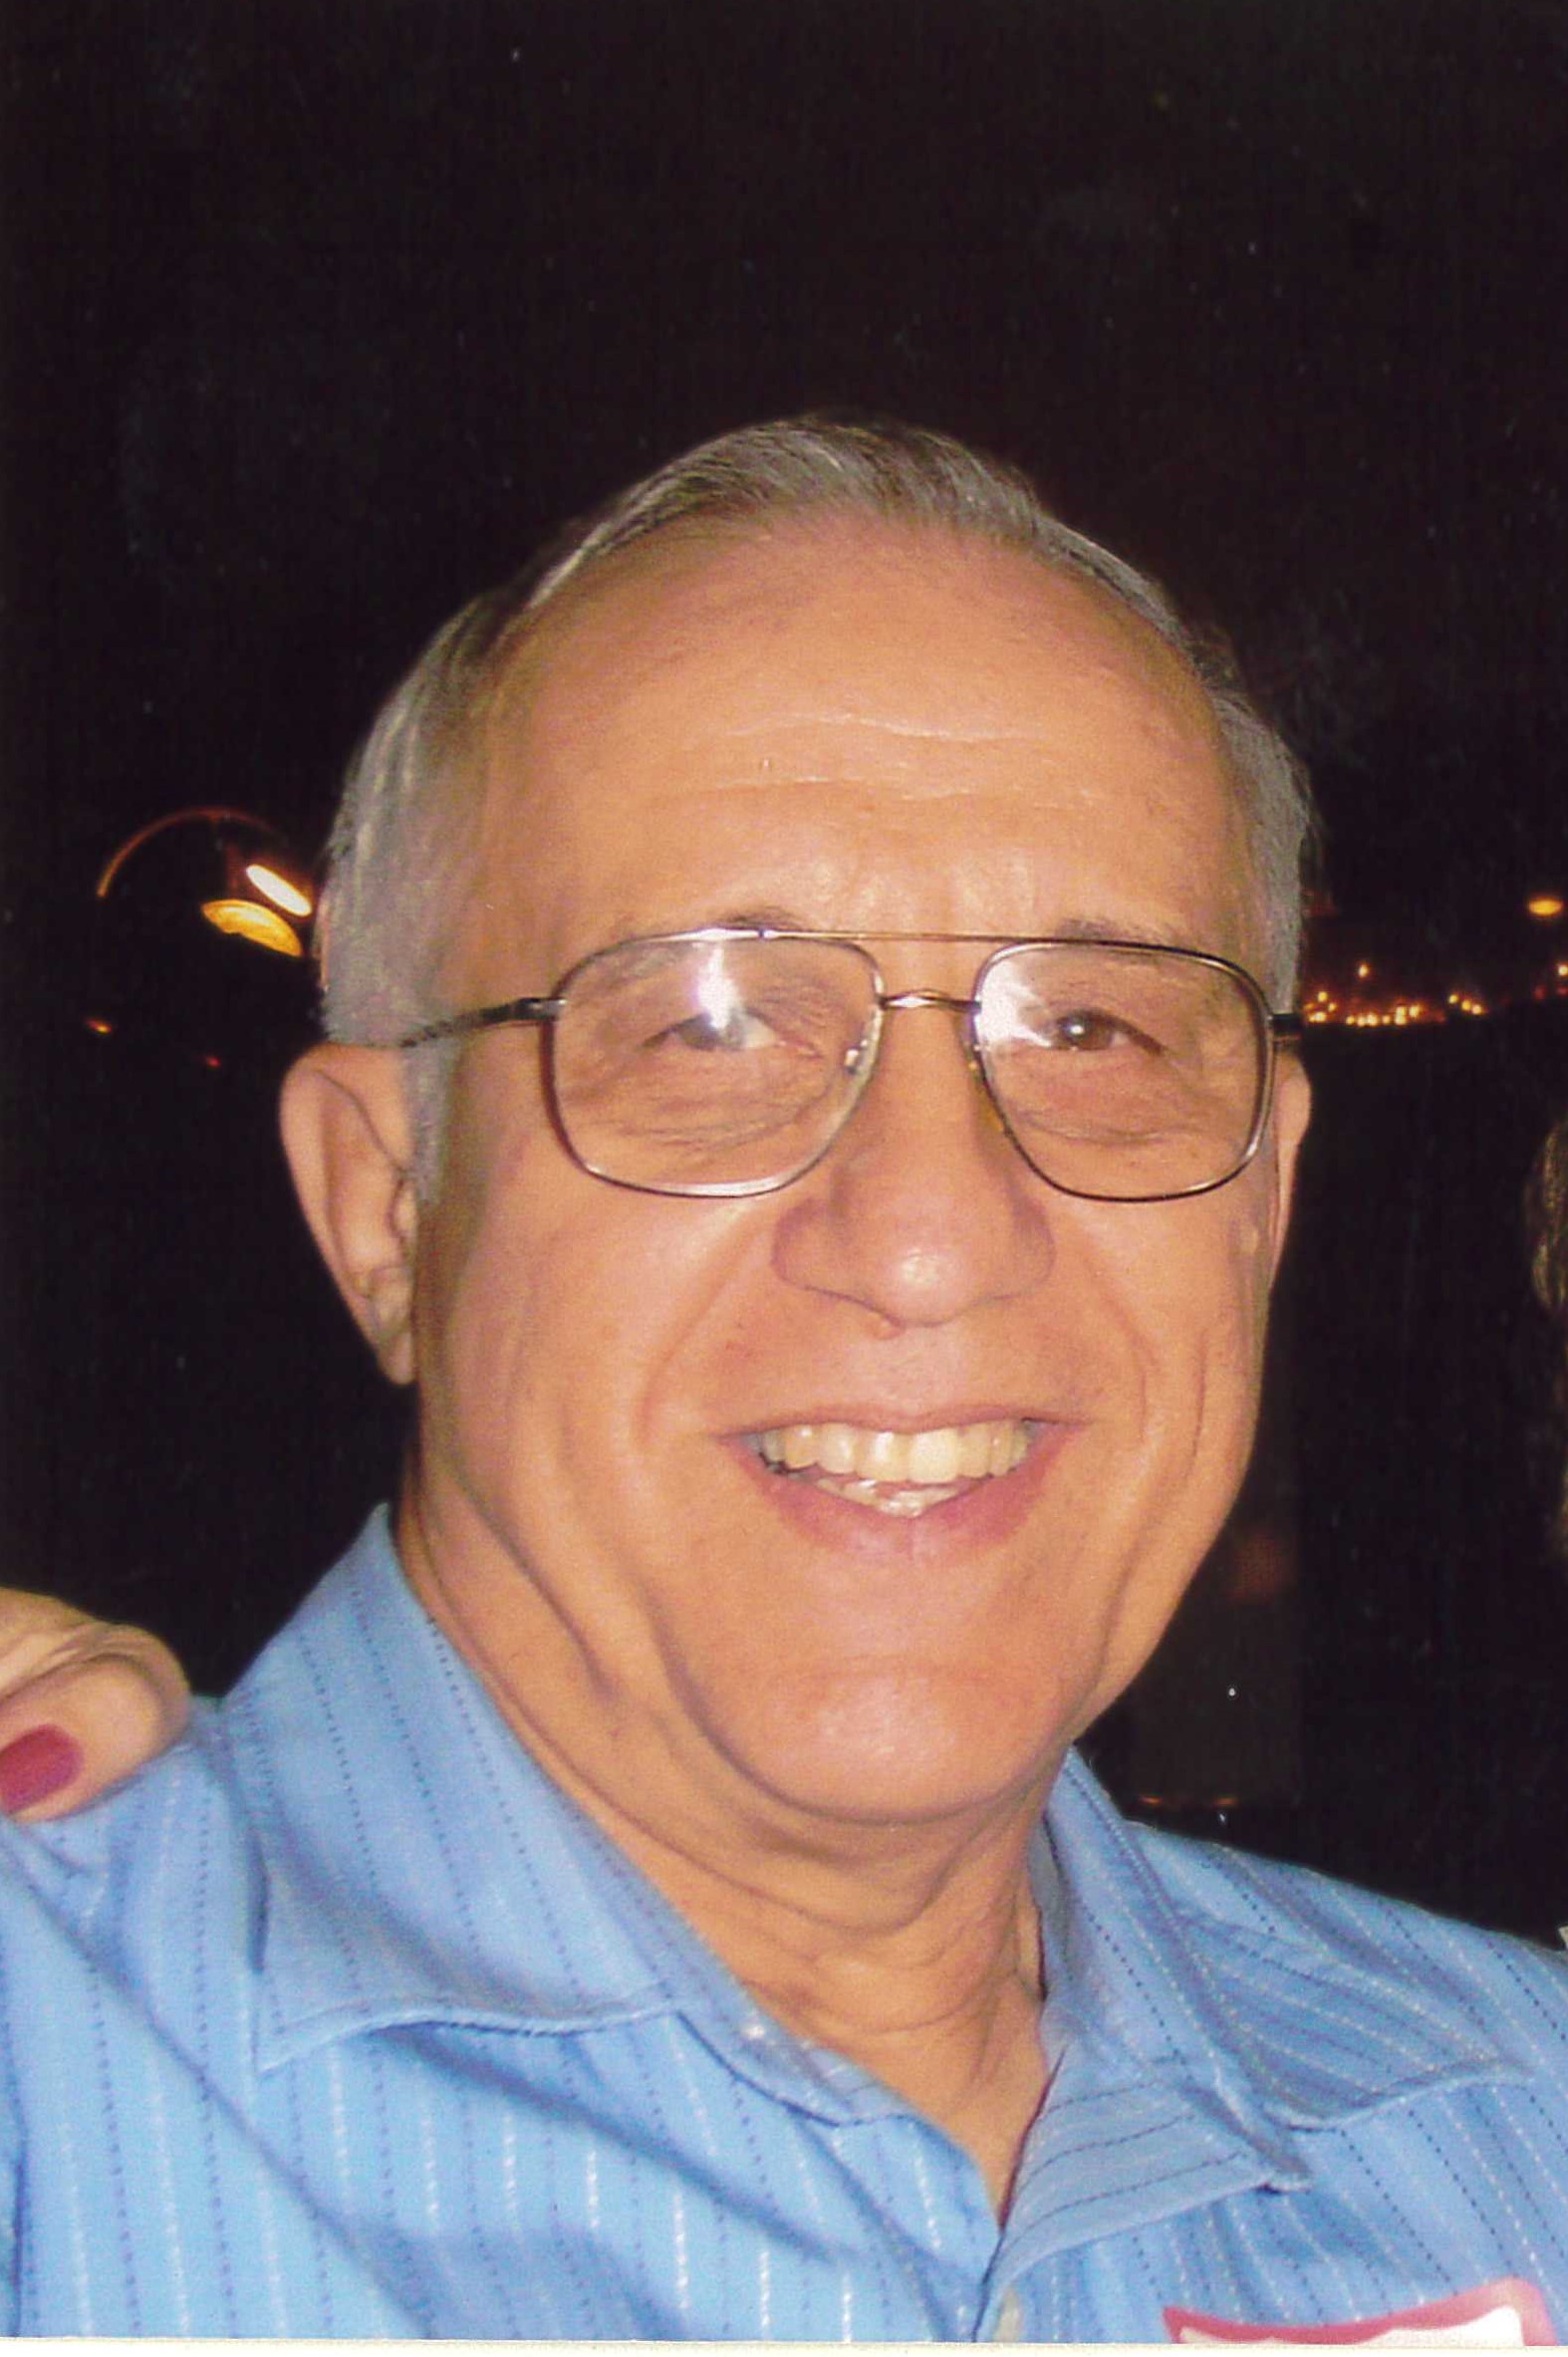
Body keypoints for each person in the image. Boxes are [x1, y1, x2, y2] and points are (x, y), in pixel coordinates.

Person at [3, 415, 1567, 2344]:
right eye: (708, 1024)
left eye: (1092, 1028)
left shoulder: (1517, 2125)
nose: (931, 1233)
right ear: (388, 1207)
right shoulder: (49, 2083)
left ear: (1261, 1202)